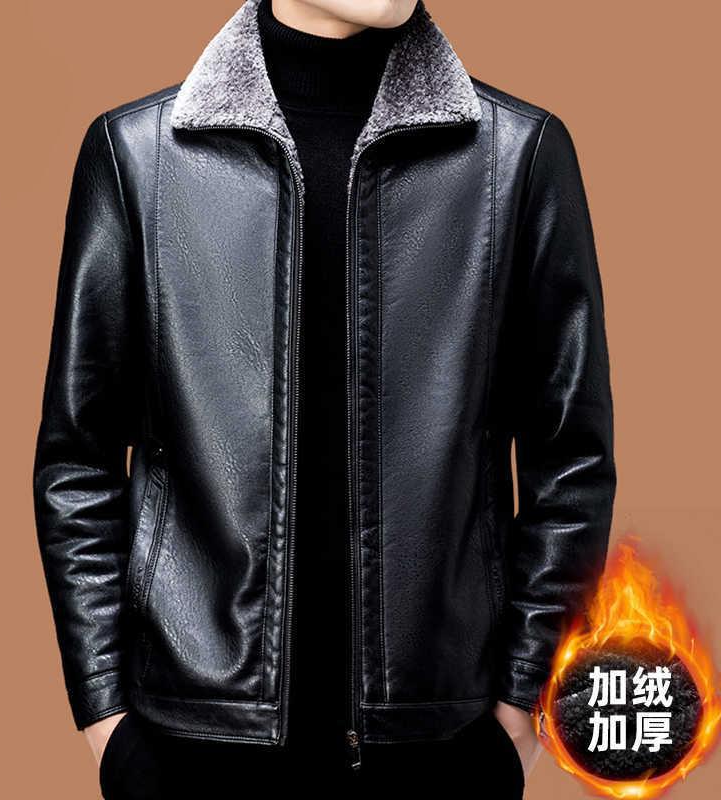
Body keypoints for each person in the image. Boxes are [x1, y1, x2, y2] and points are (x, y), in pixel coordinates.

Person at [32, 0, 616, 797]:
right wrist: (107, 717)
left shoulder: (515, 157)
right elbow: (78, 458)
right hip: (192, 746)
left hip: (438, 747)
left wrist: (522, 709)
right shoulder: (139, 156)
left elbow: (570, 461)